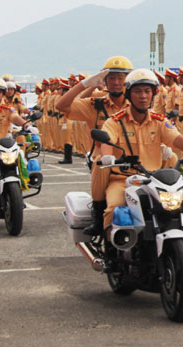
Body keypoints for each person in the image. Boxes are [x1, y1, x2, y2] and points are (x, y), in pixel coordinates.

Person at [98, 69, 183, 242]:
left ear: (153, 94)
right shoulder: (115, 121)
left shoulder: (159, 121)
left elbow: (176, 138)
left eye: (147, 91)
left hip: (154, 180)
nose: (143, 96)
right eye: (137, 91)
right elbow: (107, 141)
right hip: (124, 180)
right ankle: (113, 251)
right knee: (114, 208)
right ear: (129, 94)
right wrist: (107, 157)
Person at [55, 56, 133, 234]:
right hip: (105, 158)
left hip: (134, 156)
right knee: (99, 164)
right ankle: (99, 215)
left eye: (120, 78)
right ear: (104, 81)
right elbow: (62, 105)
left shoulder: (135, 102)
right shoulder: (97, 104)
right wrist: (85, 84)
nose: (115, 82)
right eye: (111, 78)